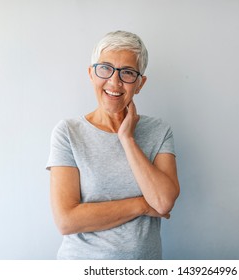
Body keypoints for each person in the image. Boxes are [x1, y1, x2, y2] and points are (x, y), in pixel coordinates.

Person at [46, 30, 180, 260]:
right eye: (105, 68)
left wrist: (127, 139)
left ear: (140, 83)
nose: (114, 81)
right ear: (91, 74)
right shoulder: (68, 132)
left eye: (127, 72)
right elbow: (66, 221)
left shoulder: (160, 131)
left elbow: (163, 202)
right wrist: (141, 205)